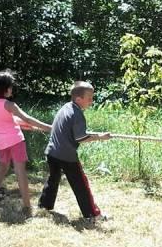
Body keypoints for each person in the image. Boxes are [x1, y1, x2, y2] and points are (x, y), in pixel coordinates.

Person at [38, 81, 110, 222]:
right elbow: (81, 138)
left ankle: (44, 206)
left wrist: (94, 135)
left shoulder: (65, 107)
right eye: (89, 98)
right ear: (78, 99)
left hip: (52, 152)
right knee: (81, 185)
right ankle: (92, 215)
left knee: (53, 179)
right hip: (67, 156)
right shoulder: (77, 114)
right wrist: (100, 137)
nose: (91, 101)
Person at [0, 70, 51, 215]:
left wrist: (24, 124)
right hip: (16, 140)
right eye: (10, 86)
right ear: (3, 88)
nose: (11, 89)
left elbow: (5, 119)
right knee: (20, 171)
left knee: (2, 167)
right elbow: (27, 118)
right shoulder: (9, 104)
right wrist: (49, 127)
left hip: (1, 142)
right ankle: (27, 206)